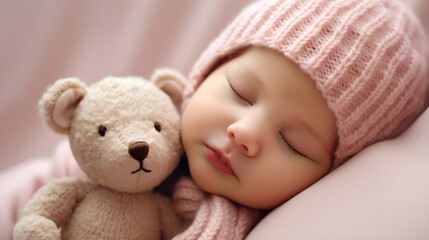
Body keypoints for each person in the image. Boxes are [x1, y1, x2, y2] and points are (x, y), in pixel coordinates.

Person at [2, 0, 429, 239]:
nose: (244, 133)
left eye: (292, 143)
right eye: (241, 93)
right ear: (206, 71)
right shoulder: (115, 143)